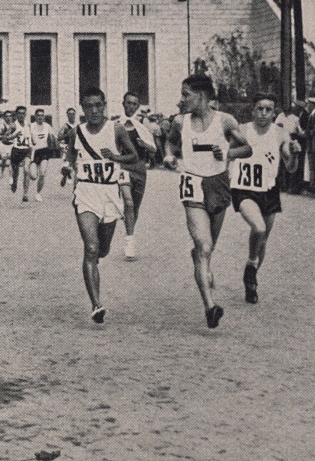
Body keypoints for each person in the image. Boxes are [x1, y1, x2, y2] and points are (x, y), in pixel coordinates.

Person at [165, 75, 251, 329]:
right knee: (203, 246)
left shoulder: (225, 120)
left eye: (185, 94)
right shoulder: (180, 122)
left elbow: (247, 149)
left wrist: (226, 152)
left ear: (201, 95)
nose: (181, 100)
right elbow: (170, 143)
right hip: (192, 184)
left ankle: (203, 261)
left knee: (208, 247)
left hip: (218, 184)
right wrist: (170, 157)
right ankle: (210, 307)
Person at [62, 87, 137, 323]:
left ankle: (96, 262)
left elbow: (133, 155)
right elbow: (72, 159)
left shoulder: (116, 128)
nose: (94, 110)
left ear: (104, 105)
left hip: (109, 194)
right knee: (91, 248)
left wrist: (115, 158)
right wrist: (68, 169)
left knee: (102, 249)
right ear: (83, 108)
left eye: (98, 105)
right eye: (89, 106)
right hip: (86, 193)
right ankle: (96, 304)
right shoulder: (77, 132)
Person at [230, 93, 300, 304]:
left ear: (274, 112)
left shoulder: (280, 134)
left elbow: (290, 167)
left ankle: (251, 281)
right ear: (253, 110)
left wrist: (295, 154)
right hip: (244, 188)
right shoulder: (242, 130)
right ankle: (251, 263)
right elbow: (226, 154)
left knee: (263, 240)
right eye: (259, 108)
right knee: (258, 228)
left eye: (268, 109)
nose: (263, 113)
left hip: (269, 190)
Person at [116, 92, 157, 259]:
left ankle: (129, 230)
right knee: (129, 202)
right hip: (123, 168)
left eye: (134, 104)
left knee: (135, 207)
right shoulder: (116, 125)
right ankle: (130, 242)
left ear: (137, 107)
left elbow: (154, 149)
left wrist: (144, 144)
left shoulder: (142, 126)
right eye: (128, 103)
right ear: (123, 103)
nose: (131, 107)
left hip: (139, 168)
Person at [29, 108, 56, 202]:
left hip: (44, 151)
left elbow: (53, 138)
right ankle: (30, 172)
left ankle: (38, 193)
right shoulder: (31, 126)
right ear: (35, 116)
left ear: (44, 117)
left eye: (42, 115)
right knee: (33, 176)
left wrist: (55, 144)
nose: (40, 117)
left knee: (42, 173)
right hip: (34, 152)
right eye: (38, 115)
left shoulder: (47, 126)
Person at [9, 106, 32, 201]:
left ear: (25, 114)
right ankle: (14, 183)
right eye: (19, 113)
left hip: (26, 150)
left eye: (23, 113)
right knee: (16, 173)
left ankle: (25, 194)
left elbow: (30, 136)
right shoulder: (13, 125)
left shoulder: (28, 124)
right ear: (16, 114)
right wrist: (14, 135)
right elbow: (6, 137)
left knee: (26, 170)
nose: (21, 115)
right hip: (16, 150)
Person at [57, 108, 76, 187]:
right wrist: (67, 134)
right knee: (66, 164)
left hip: (76, 146)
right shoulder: (65, 126)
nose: (71, 115)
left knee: (75, 164)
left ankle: (69, 176)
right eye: (70, 114)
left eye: (73, 114)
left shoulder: (78, 125)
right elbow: (59, 137)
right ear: (67, 115)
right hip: (67, 147)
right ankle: (67, 175)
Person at [0, 110, 16, 178]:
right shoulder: (2, 125)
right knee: (4, 160)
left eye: (10, 116)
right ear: (4, 117)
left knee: (12, 160)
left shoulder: (14, 124)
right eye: (7, 116)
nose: (8, 118)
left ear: (12, 117)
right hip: (4, 144)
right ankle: (2, 173)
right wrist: (4, 133)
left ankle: (11, 175)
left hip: (12, 144)